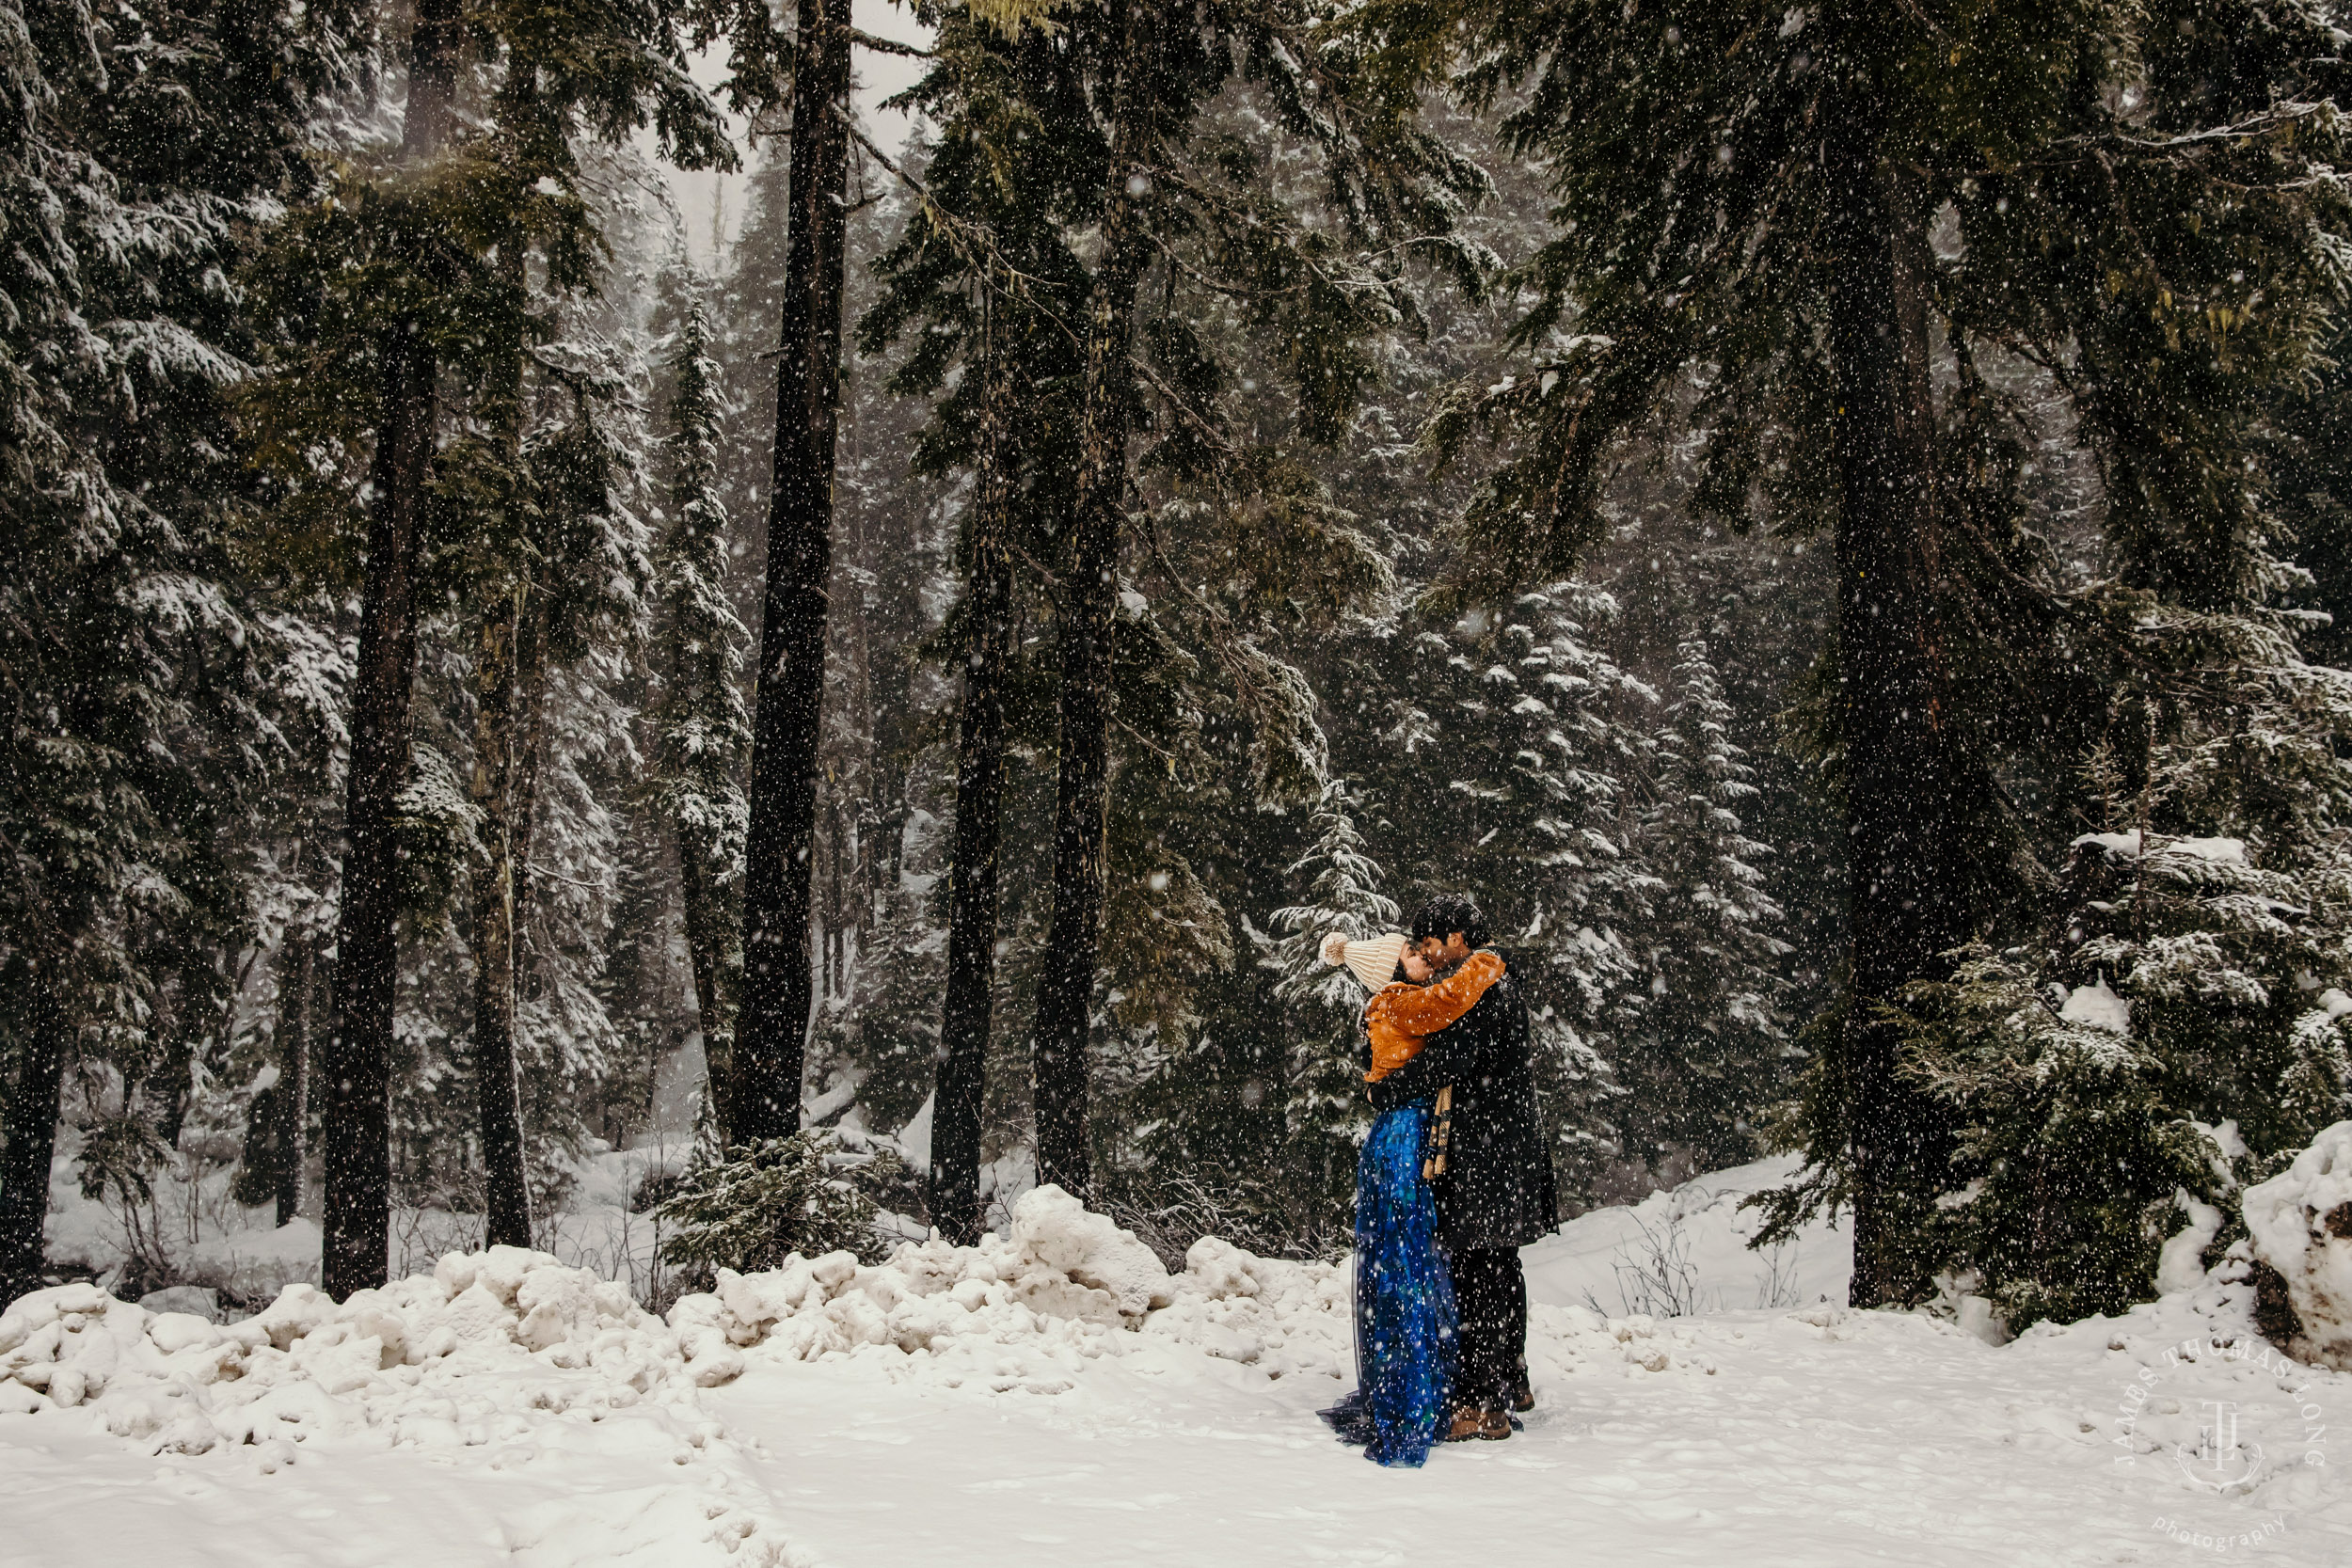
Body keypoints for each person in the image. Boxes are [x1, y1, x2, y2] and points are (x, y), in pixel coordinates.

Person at [1367, 894, 1558, 1442]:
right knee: (1497, 1265)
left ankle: (1482, 1404)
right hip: (1503, 1147)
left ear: (1455, 937)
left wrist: (1388, 1087)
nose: (1429, 955)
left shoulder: (1485, 988)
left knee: (1481, 1271)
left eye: (1430, 943)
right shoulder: (1488, 981)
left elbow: (1452, 1056)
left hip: (1489, 1153)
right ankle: (1508, 1379)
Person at [1314, 929, 1504, 1466]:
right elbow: (1448, 1001)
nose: (1423, 956)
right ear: (1387, 968)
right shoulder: (1397, 1003)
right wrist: (1486, 961)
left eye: (1422, 949)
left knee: (1405, 1258)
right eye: (1411, 952)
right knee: (1407, 1260)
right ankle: (1412, 1390)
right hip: (1402, 1139)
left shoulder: (1388, 1006)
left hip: (1397, 1134)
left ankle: (1410, 1378)